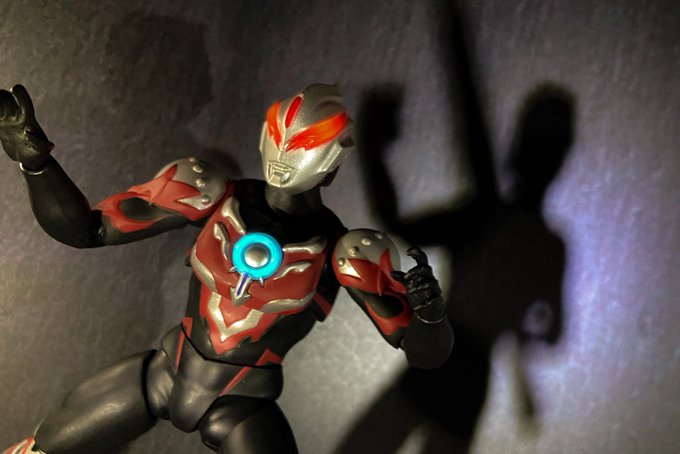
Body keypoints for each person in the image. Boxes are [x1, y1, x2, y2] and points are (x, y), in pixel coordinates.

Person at [0, 83, 454, 454]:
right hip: (167, 371)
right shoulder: (208, 191)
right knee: (45, 446)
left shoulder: (348, 253)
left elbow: (423, 353)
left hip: (243, 401)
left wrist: (430, 315)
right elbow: (88, 229)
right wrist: (36, 164)